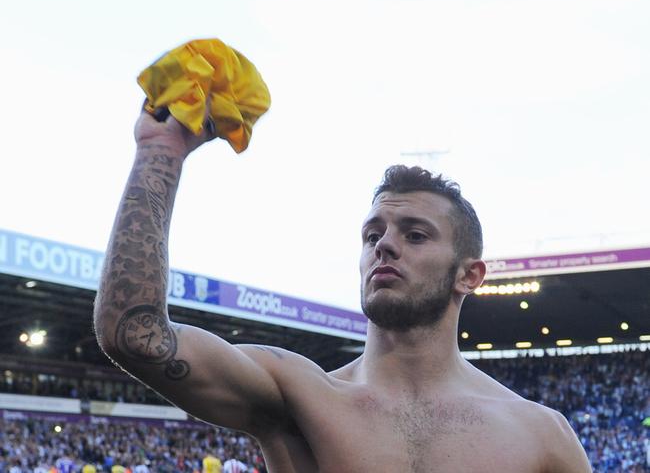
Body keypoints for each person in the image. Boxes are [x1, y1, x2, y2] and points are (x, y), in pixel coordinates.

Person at [93, 104, 593, 472]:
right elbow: (133, 335)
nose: (385, 246)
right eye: (372, 235)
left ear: (469, 275)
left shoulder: (541, 436)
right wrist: (160, 153)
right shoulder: (301, 395)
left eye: (415, 235)